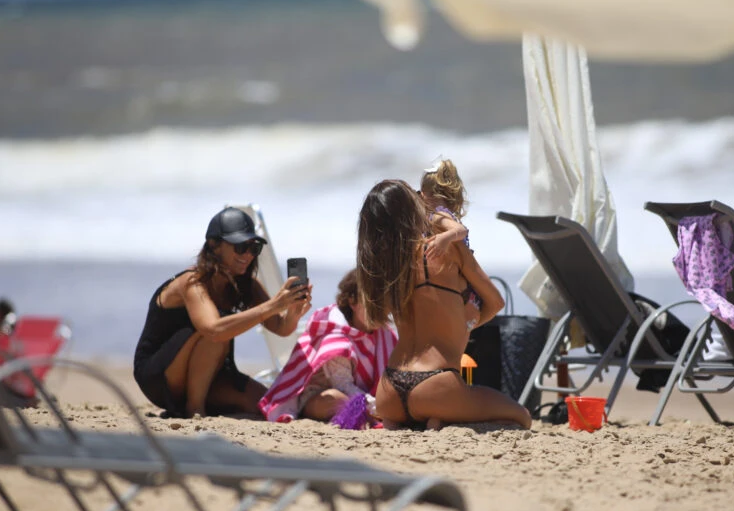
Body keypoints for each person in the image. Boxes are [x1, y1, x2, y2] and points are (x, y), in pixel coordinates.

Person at [356, 179, 532, 430]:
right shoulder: (445, 249)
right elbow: (495, 301)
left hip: (389, 391)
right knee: (521, 417)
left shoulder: (386, 266)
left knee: (419, 412)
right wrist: (466, 323)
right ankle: (445, 421)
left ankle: (421, 420)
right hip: (436, 384)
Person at [133, 207, 312, 418]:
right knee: (218, 329)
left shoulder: (247, 284)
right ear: (214, 245)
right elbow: (214, 331)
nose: (247, 254)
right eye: (240, 246)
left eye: (253, 248)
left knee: (270, 407)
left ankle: (198, 404)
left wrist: (292, 312)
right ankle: (195, 409)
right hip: (159, 375)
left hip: (210, 374)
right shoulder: (193, 281)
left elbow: (281, 329)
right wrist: (273, 305)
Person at [258, 268, 398, 423]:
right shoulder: (335, 335)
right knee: (336, 399)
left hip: (365, 393)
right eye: (373, 304)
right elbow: (343, 385)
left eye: (384, 304)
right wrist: (378, 407)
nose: (380, 311)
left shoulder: (384, 335)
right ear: (352, 301)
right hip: (320, 393)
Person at [419, 159, 483, 331]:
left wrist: (444, 238)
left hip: (456, 291)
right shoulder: (444, 215)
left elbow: (461, 230)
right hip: (467, 292)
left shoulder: (437, 216)